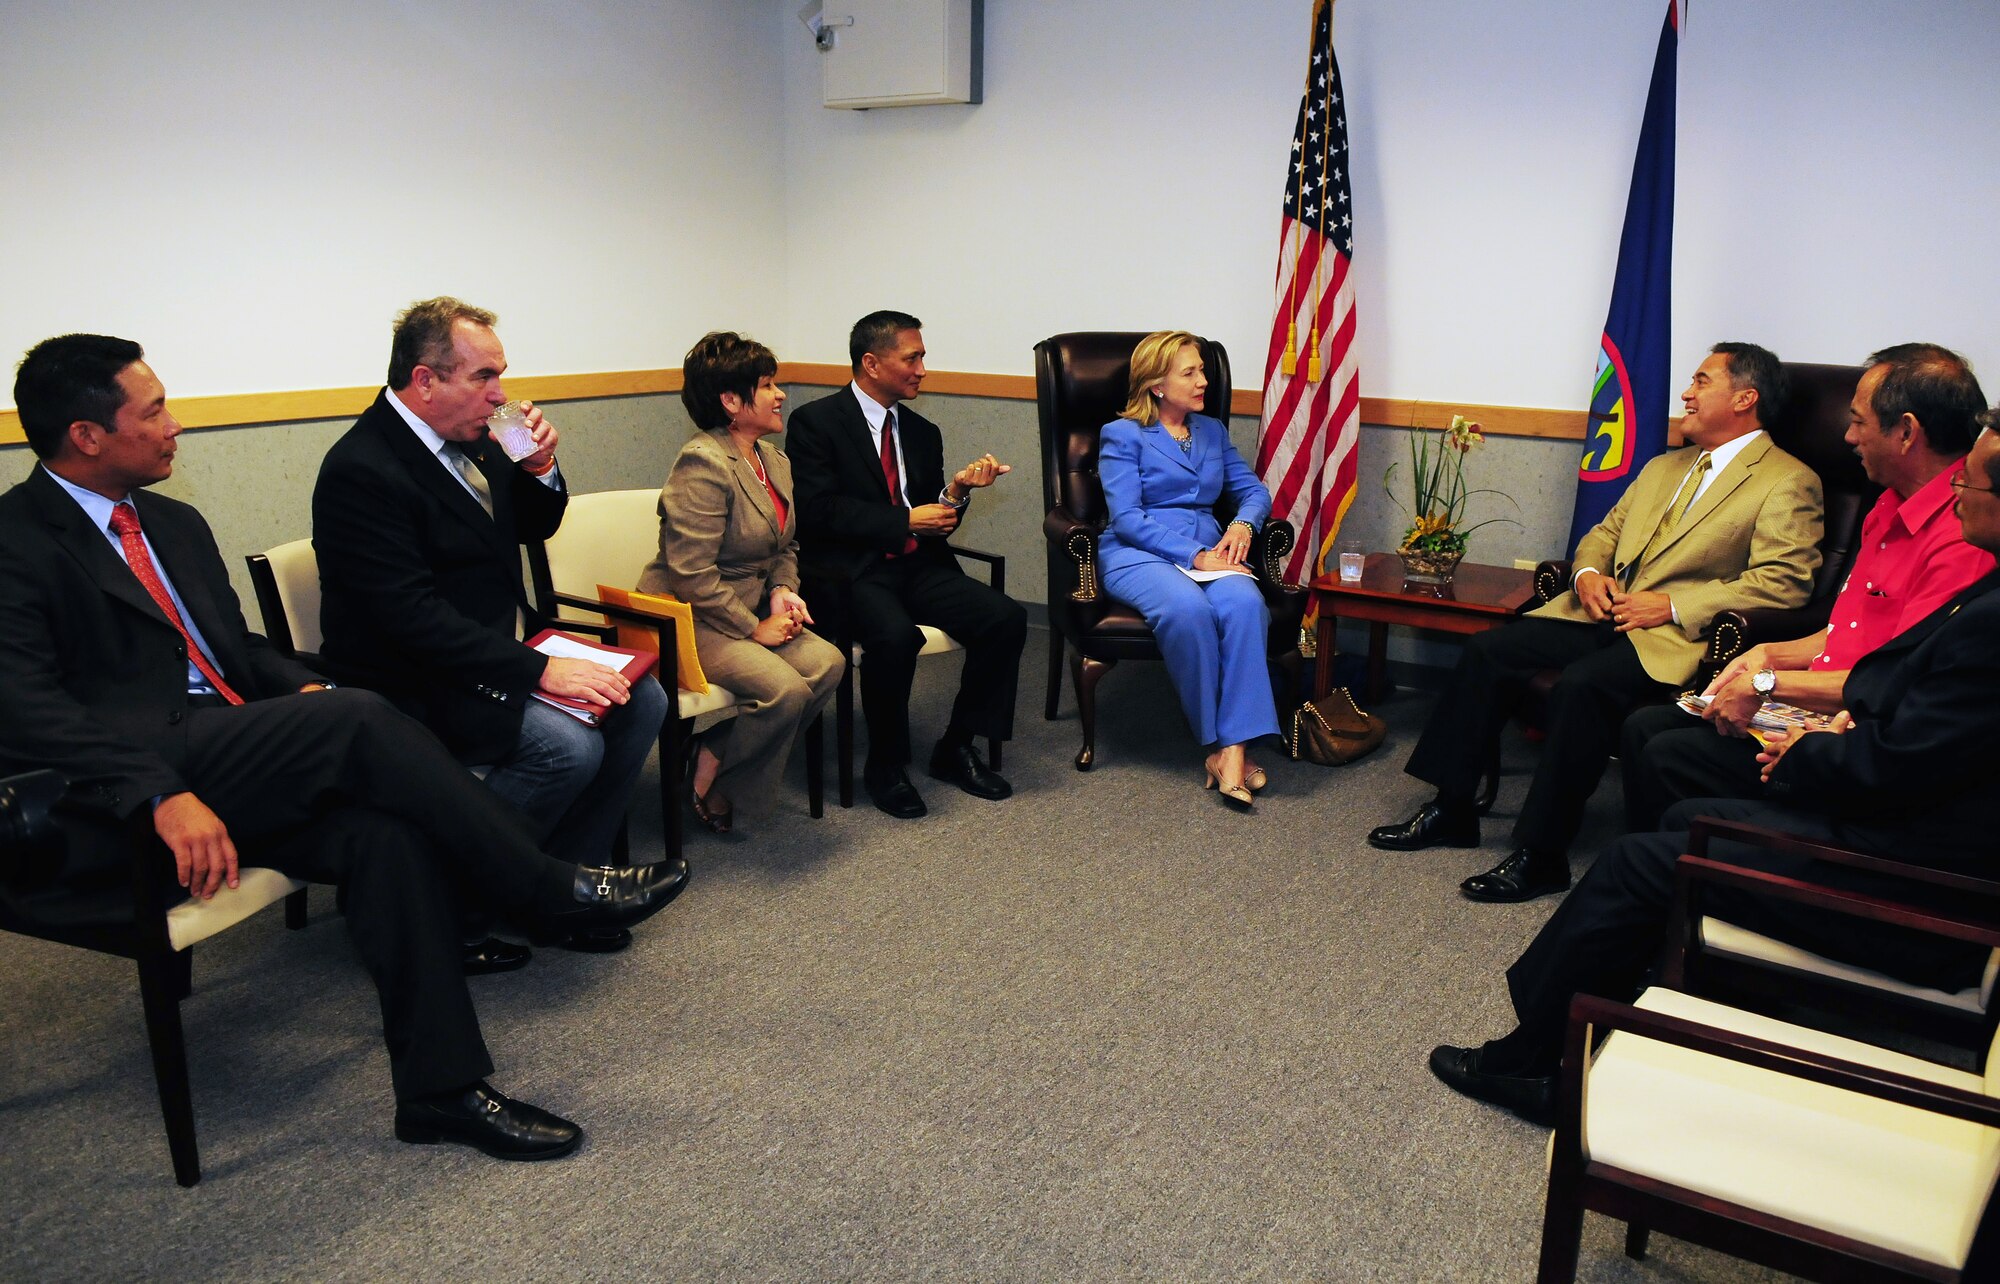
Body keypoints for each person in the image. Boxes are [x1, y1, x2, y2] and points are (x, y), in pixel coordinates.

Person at [0, 335, 687, 1160]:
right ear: (87, 435)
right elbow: (28, 708)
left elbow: (232, 651)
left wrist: (302, 693)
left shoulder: (172, 523)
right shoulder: (17, 540)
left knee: (382, 835)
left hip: (228, 750)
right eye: (154, 413)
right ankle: (546, 886)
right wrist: (158, 792)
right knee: (361, 716)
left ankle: (439, 1093)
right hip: (120, 786)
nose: (176, 426)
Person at [1430, 416, 2000, 1126]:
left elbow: (1897, 763)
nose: (1955, 496)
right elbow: (1912, 701)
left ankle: (1536, 1062)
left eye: (1968, 484)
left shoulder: (1987, 614)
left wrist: (1804, 751)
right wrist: (1829, 700)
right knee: (1674, 813)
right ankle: (1650, 978)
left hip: (1916, 890)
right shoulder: (1981, 597)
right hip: (1906, 828)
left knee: (1640, 861)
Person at [1367, 342, 1824, 902]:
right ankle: (1452, 808)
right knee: (1491, 651)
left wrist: (1675, 606)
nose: (1687, 392)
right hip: (1602, 612)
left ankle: (1543, 852)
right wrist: (1585, 575)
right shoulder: (1665, 466)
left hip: (1675, 637)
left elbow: (1784, 580)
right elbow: (1604, 534)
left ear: (1745, 398)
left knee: (1584, 687)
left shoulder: (1786, 479)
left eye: (1702, 382)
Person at [313, 297, 670, 960]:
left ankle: (560, 888)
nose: (502, 395)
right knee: (567, 747)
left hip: (494, 652)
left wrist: (540, 469)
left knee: (642, 699)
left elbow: (532, 524)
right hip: (415, 679)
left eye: (501, 374)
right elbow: (408, 618)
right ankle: (448, 905)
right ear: (425, 382)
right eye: (483, 378)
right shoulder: (362, 469)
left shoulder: (489, 431)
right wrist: (540, 672)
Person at [1621, 343, 1994, 830]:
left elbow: (1896, 683)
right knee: (1646, 726)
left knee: (1669, 754)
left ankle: (1683, 874)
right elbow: (1851, 631)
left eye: (1858, 421)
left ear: (1905, 431)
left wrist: (1768, 684)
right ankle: (1674, 878)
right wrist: (1770, 655)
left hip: (1858, 736)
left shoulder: (1966, 536)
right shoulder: (1887, 504)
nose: (1847, 435)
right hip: (1817, 699)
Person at [787, 310, 1028, 820]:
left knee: (1005, 617)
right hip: (851, 570)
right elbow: (818, 510)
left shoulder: (922, 431)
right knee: (896, 637)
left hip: (917, 566)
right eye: (912, 357)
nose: (922, 369)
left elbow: (932, 518)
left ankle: (956, 745)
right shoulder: (816, 423)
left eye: (923, 357)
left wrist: (956, 493)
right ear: (872, 363)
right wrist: (903, 521)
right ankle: (886, 764)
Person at [637, 332, 844, 833]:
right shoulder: (702, 462)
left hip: (751, 605)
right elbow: (690, 575)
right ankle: (722, 784)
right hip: (689, 615)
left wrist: (782, 590)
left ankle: (710, 753)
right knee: (783, 691)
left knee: (828, 663)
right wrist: (753, 630)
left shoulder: (774, 460)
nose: (780, 395)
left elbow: (785, 546)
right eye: (768, 385)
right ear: (731, 400)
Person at [1096, 331, 1279, 807]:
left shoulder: (1213, 430)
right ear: (1156, 383)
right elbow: (1128, 519)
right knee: (1186, 611)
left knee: (1245, 604)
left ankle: (1232, 753)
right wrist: (1194, 556)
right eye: (1190, 372)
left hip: (1208, 548)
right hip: (1138, 552)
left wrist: (1242, 524)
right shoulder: (1122, 435)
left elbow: (1254, 492)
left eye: (1202, 369)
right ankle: (1220, 743)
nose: (1204, 380)